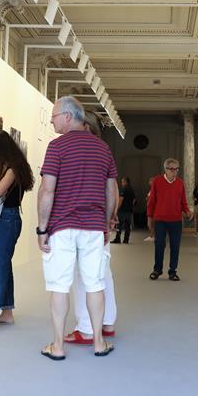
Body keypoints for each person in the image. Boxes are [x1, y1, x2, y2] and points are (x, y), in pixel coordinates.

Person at [36, 96, 117, 360]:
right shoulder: (103, 149)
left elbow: (47, 190)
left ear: (68, 116)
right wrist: (105, 224)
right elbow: (110, 192)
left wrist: (42, 228)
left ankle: (58, 346)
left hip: (61, 227)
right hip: (93, 228)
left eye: (54, 115)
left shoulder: (56, 147)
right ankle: (98, 342)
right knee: (95, 284)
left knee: (59, 285)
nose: (51, 120)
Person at [65, 111, 119, 345]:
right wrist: (110, 217)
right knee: (102, 272)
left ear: (84, 125)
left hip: (83, 223)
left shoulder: (81, 152)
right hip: (100, 223)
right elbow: (113, 188)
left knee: (82, 275)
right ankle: (107, 322)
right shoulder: (103, 150)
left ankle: (86, 327)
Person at [0, 130, 35, 336]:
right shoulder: (4, 168)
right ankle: (7, 311)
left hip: (6, 220)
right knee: (4, 265)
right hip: (1, 219)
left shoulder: (11, 169)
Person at [147, 158, 192, 281]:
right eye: (172, 169)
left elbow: (183, 201)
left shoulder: (180, 183)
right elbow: (152, 201)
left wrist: (187, 211)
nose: (174, 172)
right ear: (165, 169)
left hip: (176, 220)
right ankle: (157, 270)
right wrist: (149, 217)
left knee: (175, 246)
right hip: (160, 219)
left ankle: (173, 271)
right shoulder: (157, 181)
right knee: (159, 245)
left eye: (176, 169)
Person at [112, 177, 135, 244]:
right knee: (128, 226)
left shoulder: (124, 189)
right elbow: (134, 200)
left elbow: (121, 199)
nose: (121, 183)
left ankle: (117, 239)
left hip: (122, 210)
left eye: (122, 182)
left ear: (125, 182)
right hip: (129, 210)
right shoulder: (132, 189)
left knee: (119, 225)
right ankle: (126, 240)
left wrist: (117, 208)